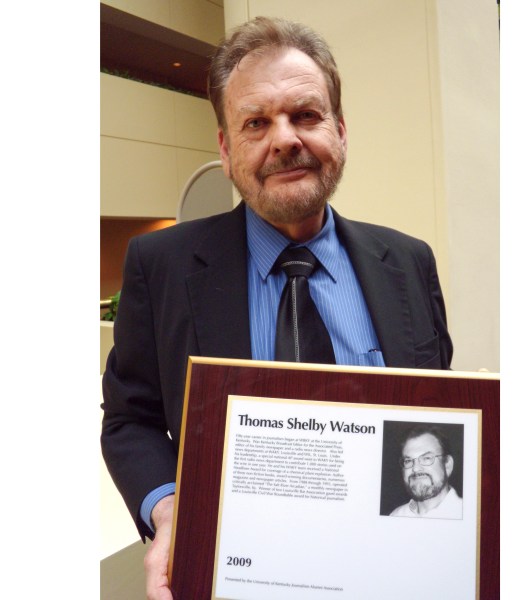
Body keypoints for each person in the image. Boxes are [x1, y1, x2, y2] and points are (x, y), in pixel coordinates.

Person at [102, 16, 453, 599]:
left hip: (391, 572)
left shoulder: (410, 262)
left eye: (306, 115)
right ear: (226, 146)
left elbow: (436, 417)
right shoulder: (159, 264)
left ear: (340, 130)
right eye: (256, 122)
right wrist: (169, 513)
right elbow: (130, 418)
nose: (284, 138)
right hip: (235, 573)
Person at [390, 425, 462, 519]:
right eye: (408, 461)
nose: (415, 468)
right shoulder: (395, 516)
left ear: (447, 465)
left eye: (427, 458)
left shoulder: (467, 514)